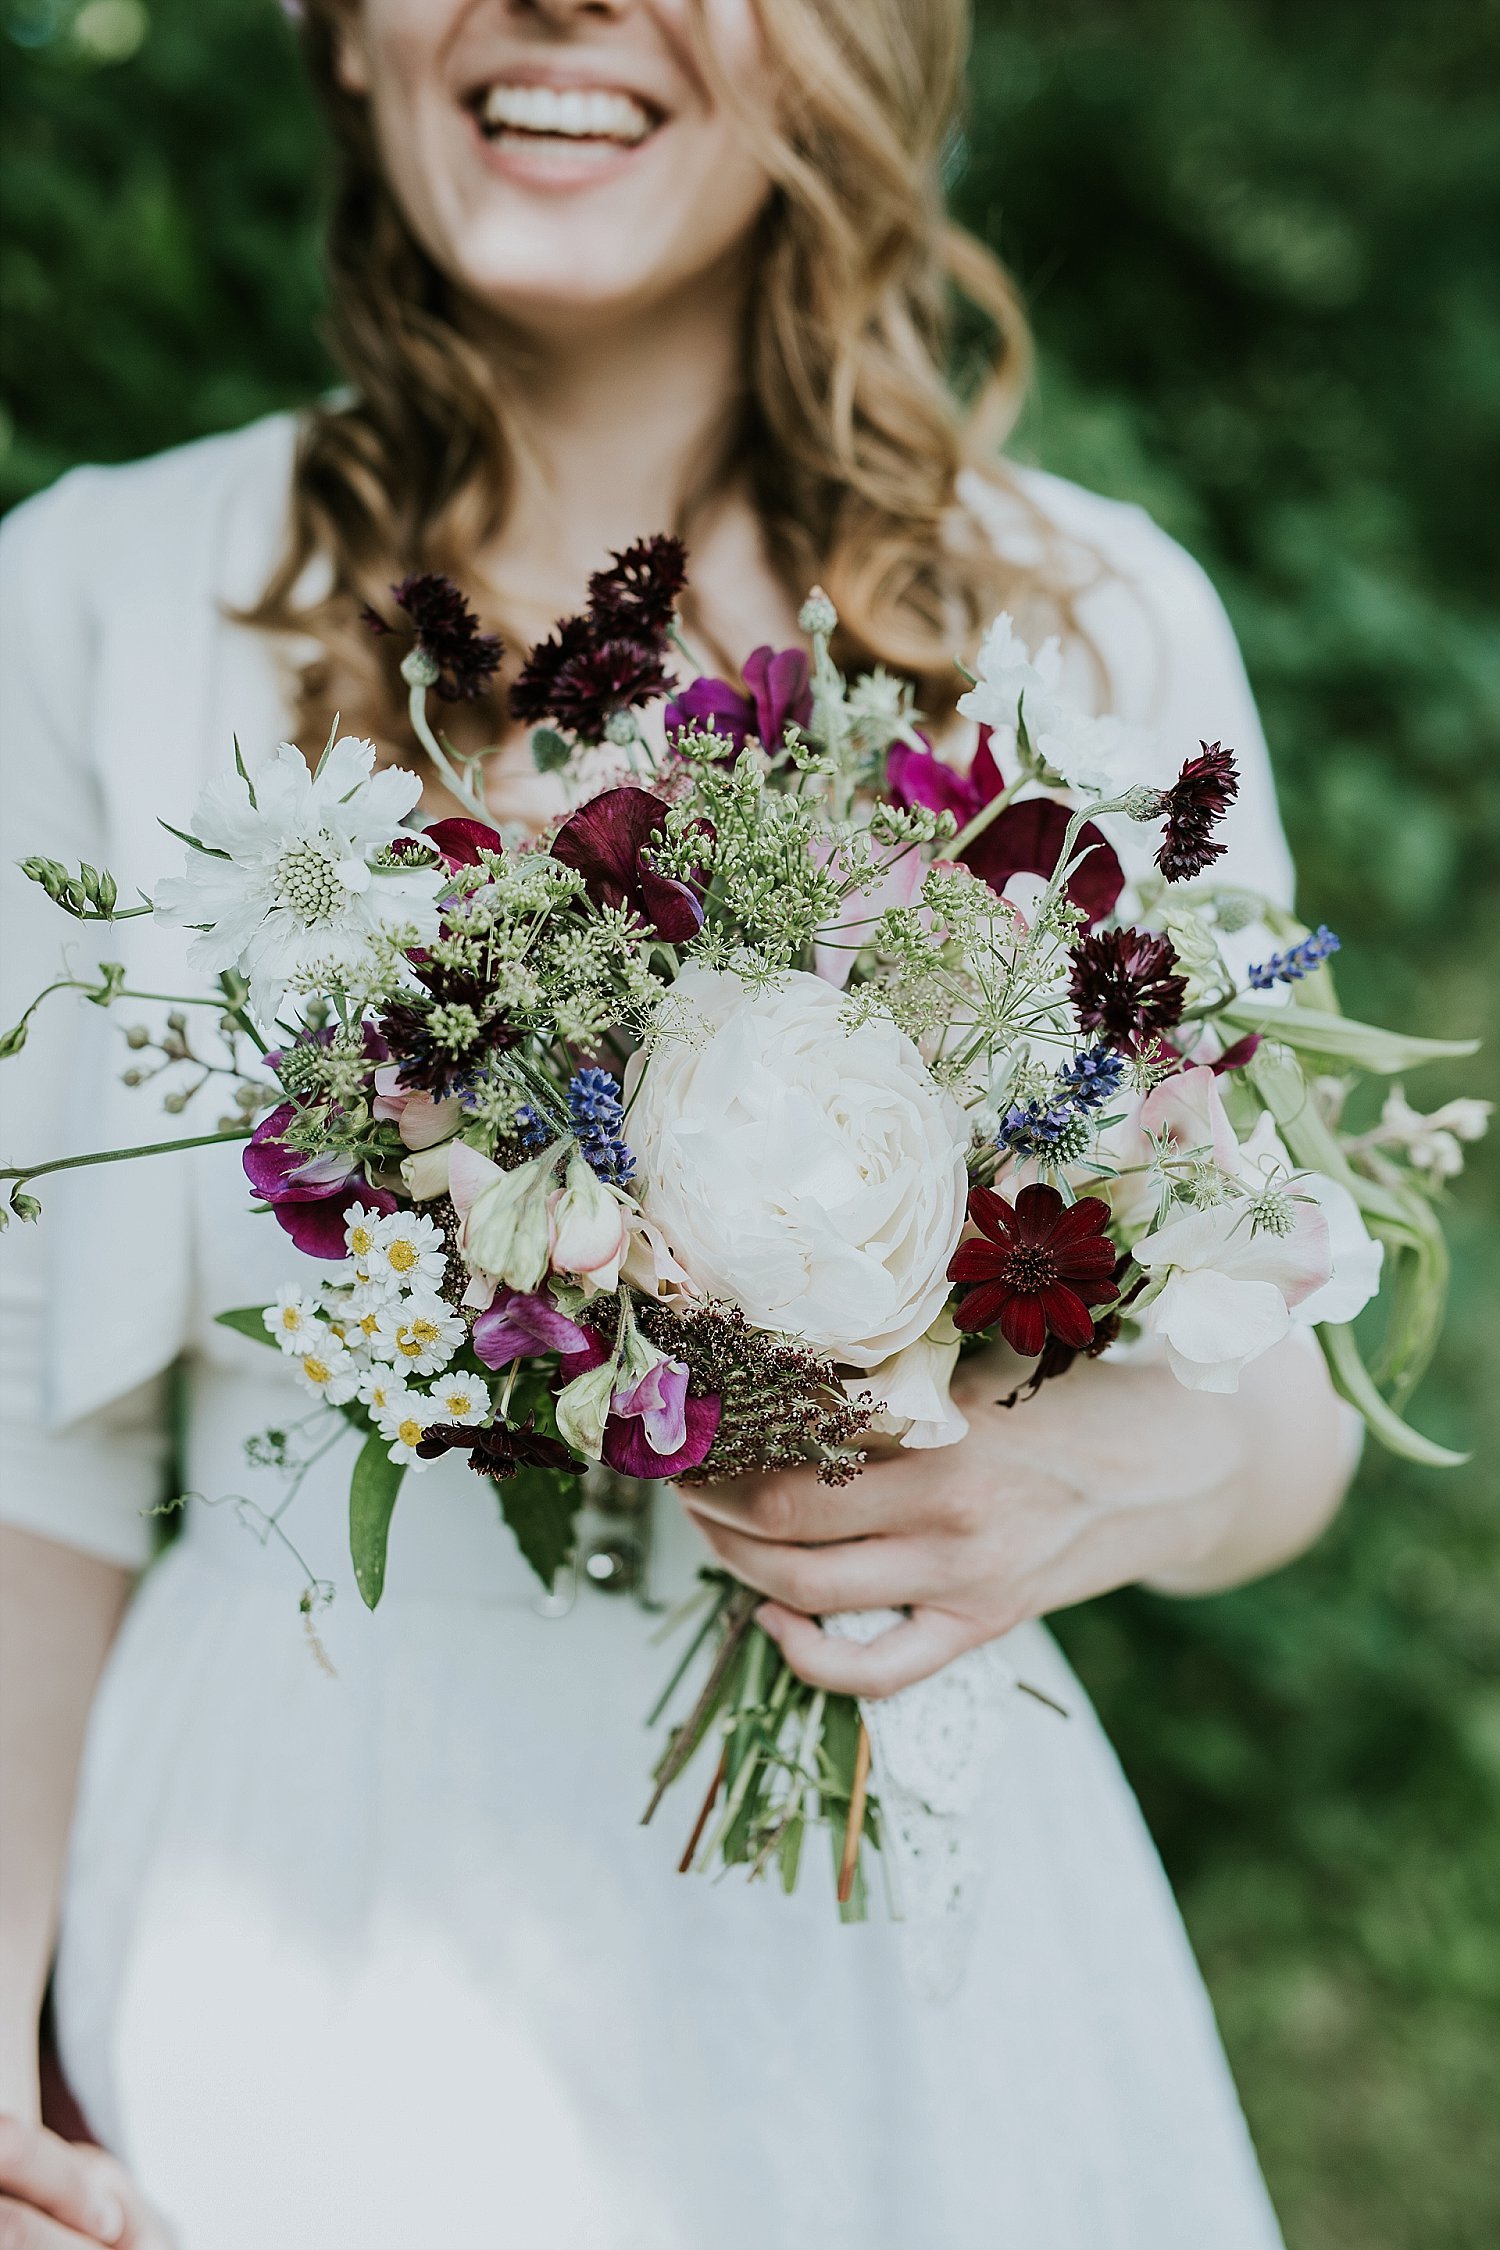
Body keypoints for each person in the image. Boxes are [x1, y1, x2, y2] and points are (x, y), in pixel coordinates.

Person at [0, 2, 1360, 2244]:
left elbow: (1276, 1370)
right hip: (291, 1953)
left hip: (914, 1954)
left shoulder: (1083, 623)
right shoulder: (93, 602)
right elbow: (22, 1442)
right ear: (339, 33)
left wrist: (1114, 1473)